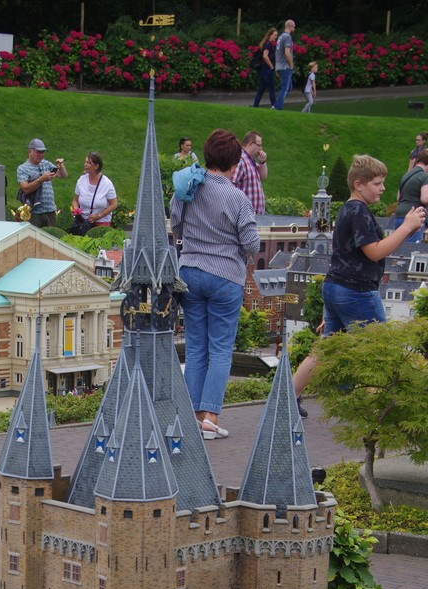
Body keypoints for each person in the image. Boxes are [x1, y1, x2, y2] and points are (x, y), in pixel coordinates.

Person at [293, 155, 426, 404]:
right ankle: (377, 409)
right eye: (377, 183)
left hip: (335, 286)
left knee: (325, 350)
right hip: (357, 290)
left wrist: (407, 229)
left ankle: (288, 397)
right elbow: (374, 251)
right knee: (379, 351)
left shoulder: (347, 209)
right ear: (358, 184)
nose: (383, 188)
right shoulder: (359, 211)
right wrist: (406, 227)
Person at [170, 129, 259, 440]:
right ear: (234, 163)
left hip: (190, 272)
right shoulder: (237, 198)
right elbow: (252, 244)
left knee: (196, 347)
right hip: (225, 276)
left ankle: (191, 416)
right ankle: (210, 417)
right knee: (220, 349)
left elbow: (176, 225)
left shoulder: (186, 188)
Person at [16, 138, 68, 228]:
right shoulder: (23, 168)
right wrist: (41, 179)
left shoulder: (46, 164)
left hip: (50, 211)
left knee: (51, 235)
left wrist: (61, 166)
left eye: (42, 152)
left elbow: (63, 175)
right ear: (30, 151)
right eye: (38, 152)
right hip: (34, 213)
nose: (41, 155)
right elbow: (25, 188)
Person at [393, 149, 428, 243]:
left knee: (398, 246)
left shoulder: (406, 176)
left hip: (399, 215)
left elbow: (398, 197)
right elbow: (425, 198)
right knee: (411, 247)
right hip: (414, 216)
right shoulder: (425, 177)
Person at [71, 152, 118, 226]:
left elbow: (114, 204)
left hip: (101, 223)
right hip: (82, 223)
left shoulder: (107, 183)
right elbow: (75, 200)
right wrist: (76, 208)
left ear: (96, 166)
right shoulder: (81, 180)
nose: (85, 164)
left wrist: (99, 216)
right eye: (85, 162)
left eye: (88, 163)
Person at [233, 131, 268, 215]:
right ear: (250, 144)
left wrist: (262, 162)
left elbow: (263, 176)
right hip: (245, 216)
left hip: (254, 216)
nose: (261, 149)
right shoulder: (241, 160)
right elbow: (231, 185)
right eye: (259, 145)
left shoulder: (250, 160)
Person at [253, 28, 278, 109]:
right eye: (274, 35)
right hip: (267, 69)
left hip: (264, 69)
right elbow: (265, 56)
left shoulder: (267, 44)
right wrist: (271, 66)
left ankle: (255, 106)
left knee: (261, 88)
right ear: (270, 35)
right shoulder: (268, 44)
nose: (276, 37)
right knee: (272, 88)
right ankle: (273, 105)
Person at [275, 19, 295, 111]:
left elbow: (277, 53)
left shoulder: (280, 37)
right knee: (285, 88)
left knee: (289, 87)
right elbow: (287, 53)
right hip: (285, 66)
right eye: (293, 27)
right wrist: (291, 65)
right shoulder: (287, 37)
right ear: (289, 26)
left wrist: (276, 67)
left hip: (279, 66)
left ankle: (276, 104)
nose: (294, 29)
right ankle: (278, 107)